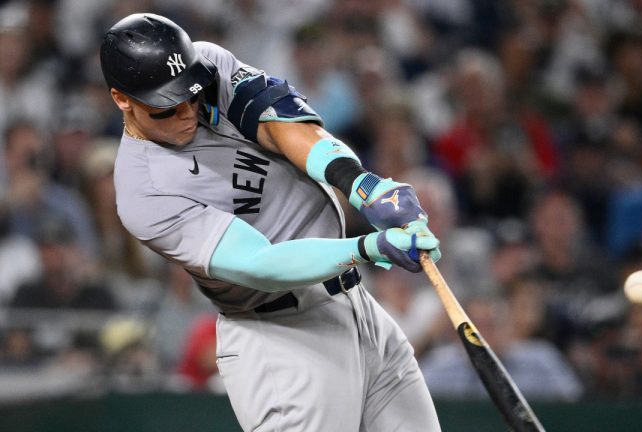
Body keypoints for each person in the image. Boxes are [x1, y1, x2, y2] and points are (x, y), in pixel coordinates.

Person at [99, 13, 442, 432]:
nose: (187, 112)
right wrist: (369, 247)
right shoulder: (142, 194)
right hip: (283, 339)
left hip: (358, 307)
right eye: (167, 107)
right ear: (122, 99)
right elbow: (261, 264)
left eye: (191, 95)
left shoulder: (206, 62)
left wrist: (363, 186)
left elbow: (282, 126)